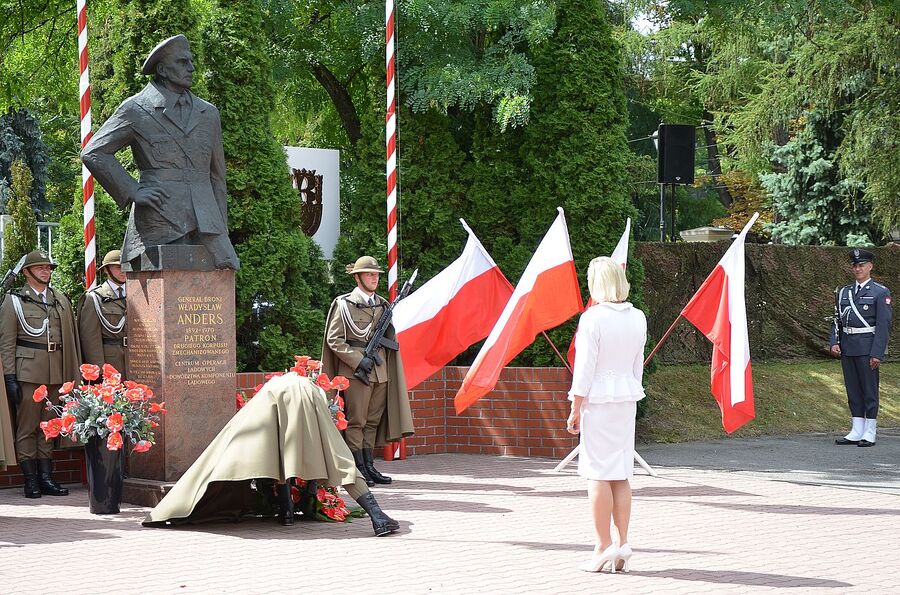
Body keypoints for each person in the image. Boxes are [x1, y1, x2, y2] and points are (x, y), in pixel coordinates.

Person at [144, 373, 400, 537]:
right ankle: (378, 518)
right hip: (308, 397)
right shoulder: (310, 390)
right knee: (338, 458)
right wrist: (310, 492)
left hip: (275, 399)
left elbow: (226, 444)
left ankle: (286, 514)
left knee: (277, 454)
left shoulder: (267, 393)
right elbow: (318, 456)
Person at [81, 34, 239, 271]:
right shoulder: (136, 108)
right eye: (182, 62)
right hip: (161, 217)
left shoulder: (208, 113)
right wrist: (132, 190)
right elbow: (94, 152)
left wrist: (220, 226)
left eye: (191, 61)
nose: (191, 68)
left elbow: (217, 176)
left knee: (226, 267)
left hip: (206, 222)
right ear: (163, 70)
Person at [566, 257, 647, 573]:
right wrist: (633, 391)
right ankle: (622, 542)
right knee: (620, 471)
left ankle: (602, 546)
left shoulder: (592, 318)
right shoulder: (638, 317)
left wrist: (575, 406)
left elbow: (584, 368)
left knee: (597, 472)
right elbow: (637, 364)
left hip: (598, 400)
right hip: (626, 397)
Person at [321, 256, 414, 487]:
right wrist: (357, 360)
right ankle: (358, 469)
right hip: (356, 371)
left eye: (377, 275)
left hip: (379, 370)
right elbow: (334, 339)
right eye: (370, 274)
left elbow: (389, 337)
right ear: (358, 277)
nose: (375, 278)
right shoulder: (344, 304)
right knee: (357, 421)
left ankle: (369, 466)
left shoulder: (382, 304)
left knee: (372, 421)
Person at [0, 250, 81, 498]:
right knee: (27, 428)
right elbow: (7, 342)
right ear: (27, 272)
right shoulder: (14, 301)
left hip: (55, 370)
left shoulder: (59, 299)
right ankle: (30, 479)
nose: (46, 271)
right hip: (27, 373)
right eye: (41, 267)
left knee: (49, 426)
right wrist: (10, 377)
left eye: (48, 268)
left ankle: (47, 478)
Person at [830, 248, 892, 447]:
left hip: (867, 347)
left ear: (870, 267)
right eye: (855, 266)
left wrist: (877, 353)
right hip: (848, 346)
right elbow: (837, 319)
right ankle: (857, 429)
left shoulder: (880, 292)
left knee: (869, 390)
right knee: (853, 390)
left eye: (862, 265)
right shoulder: (844, 292)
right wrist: (834, 341)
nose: (858, 269)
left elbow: (883, 326)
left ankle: (870, 431)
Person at [77, 250, 128, 378]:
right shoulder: (94, 297)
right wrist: (98, 371)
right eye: (118, 267)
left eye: (125, 266)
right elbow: (90, 338)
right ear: (106, 270)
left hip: (136, 361)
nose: (123, 270)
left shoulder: (137, 294)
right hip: (110, 362)